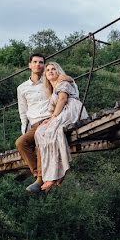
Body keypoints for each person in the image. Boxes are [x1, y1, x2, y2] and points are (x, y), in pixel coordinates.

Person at [35, 61, 88, 193]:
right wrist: (50, 118)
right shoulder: (53, 89)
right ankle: (56, 171)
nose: (51, 71)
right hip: (62, 112)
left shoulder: (64, 82)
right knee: (39, 132)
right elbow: (55, 107)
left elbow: (63, 99)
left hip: (72, 109)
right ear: (45, 75)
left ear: (58, 71)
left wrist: (53, 118)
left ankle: (54, 175)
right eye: (48, 70)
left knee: (51, 131)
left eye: (54, 69)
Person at [15, 53, 52, 192]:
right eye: (35, 62)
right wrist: (24, 129)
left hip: (49, 120)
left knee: (39, 139)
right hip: (34, 124)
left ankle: (40, 179)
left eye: (41, 62)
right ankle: (38, 174)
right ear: (29, 65)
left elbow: (66, 86)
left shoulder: (49, 80)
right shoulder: (22, 88)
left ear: (44, 65)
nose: (38, 64)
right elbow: (23, 110)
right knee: (20, 142)